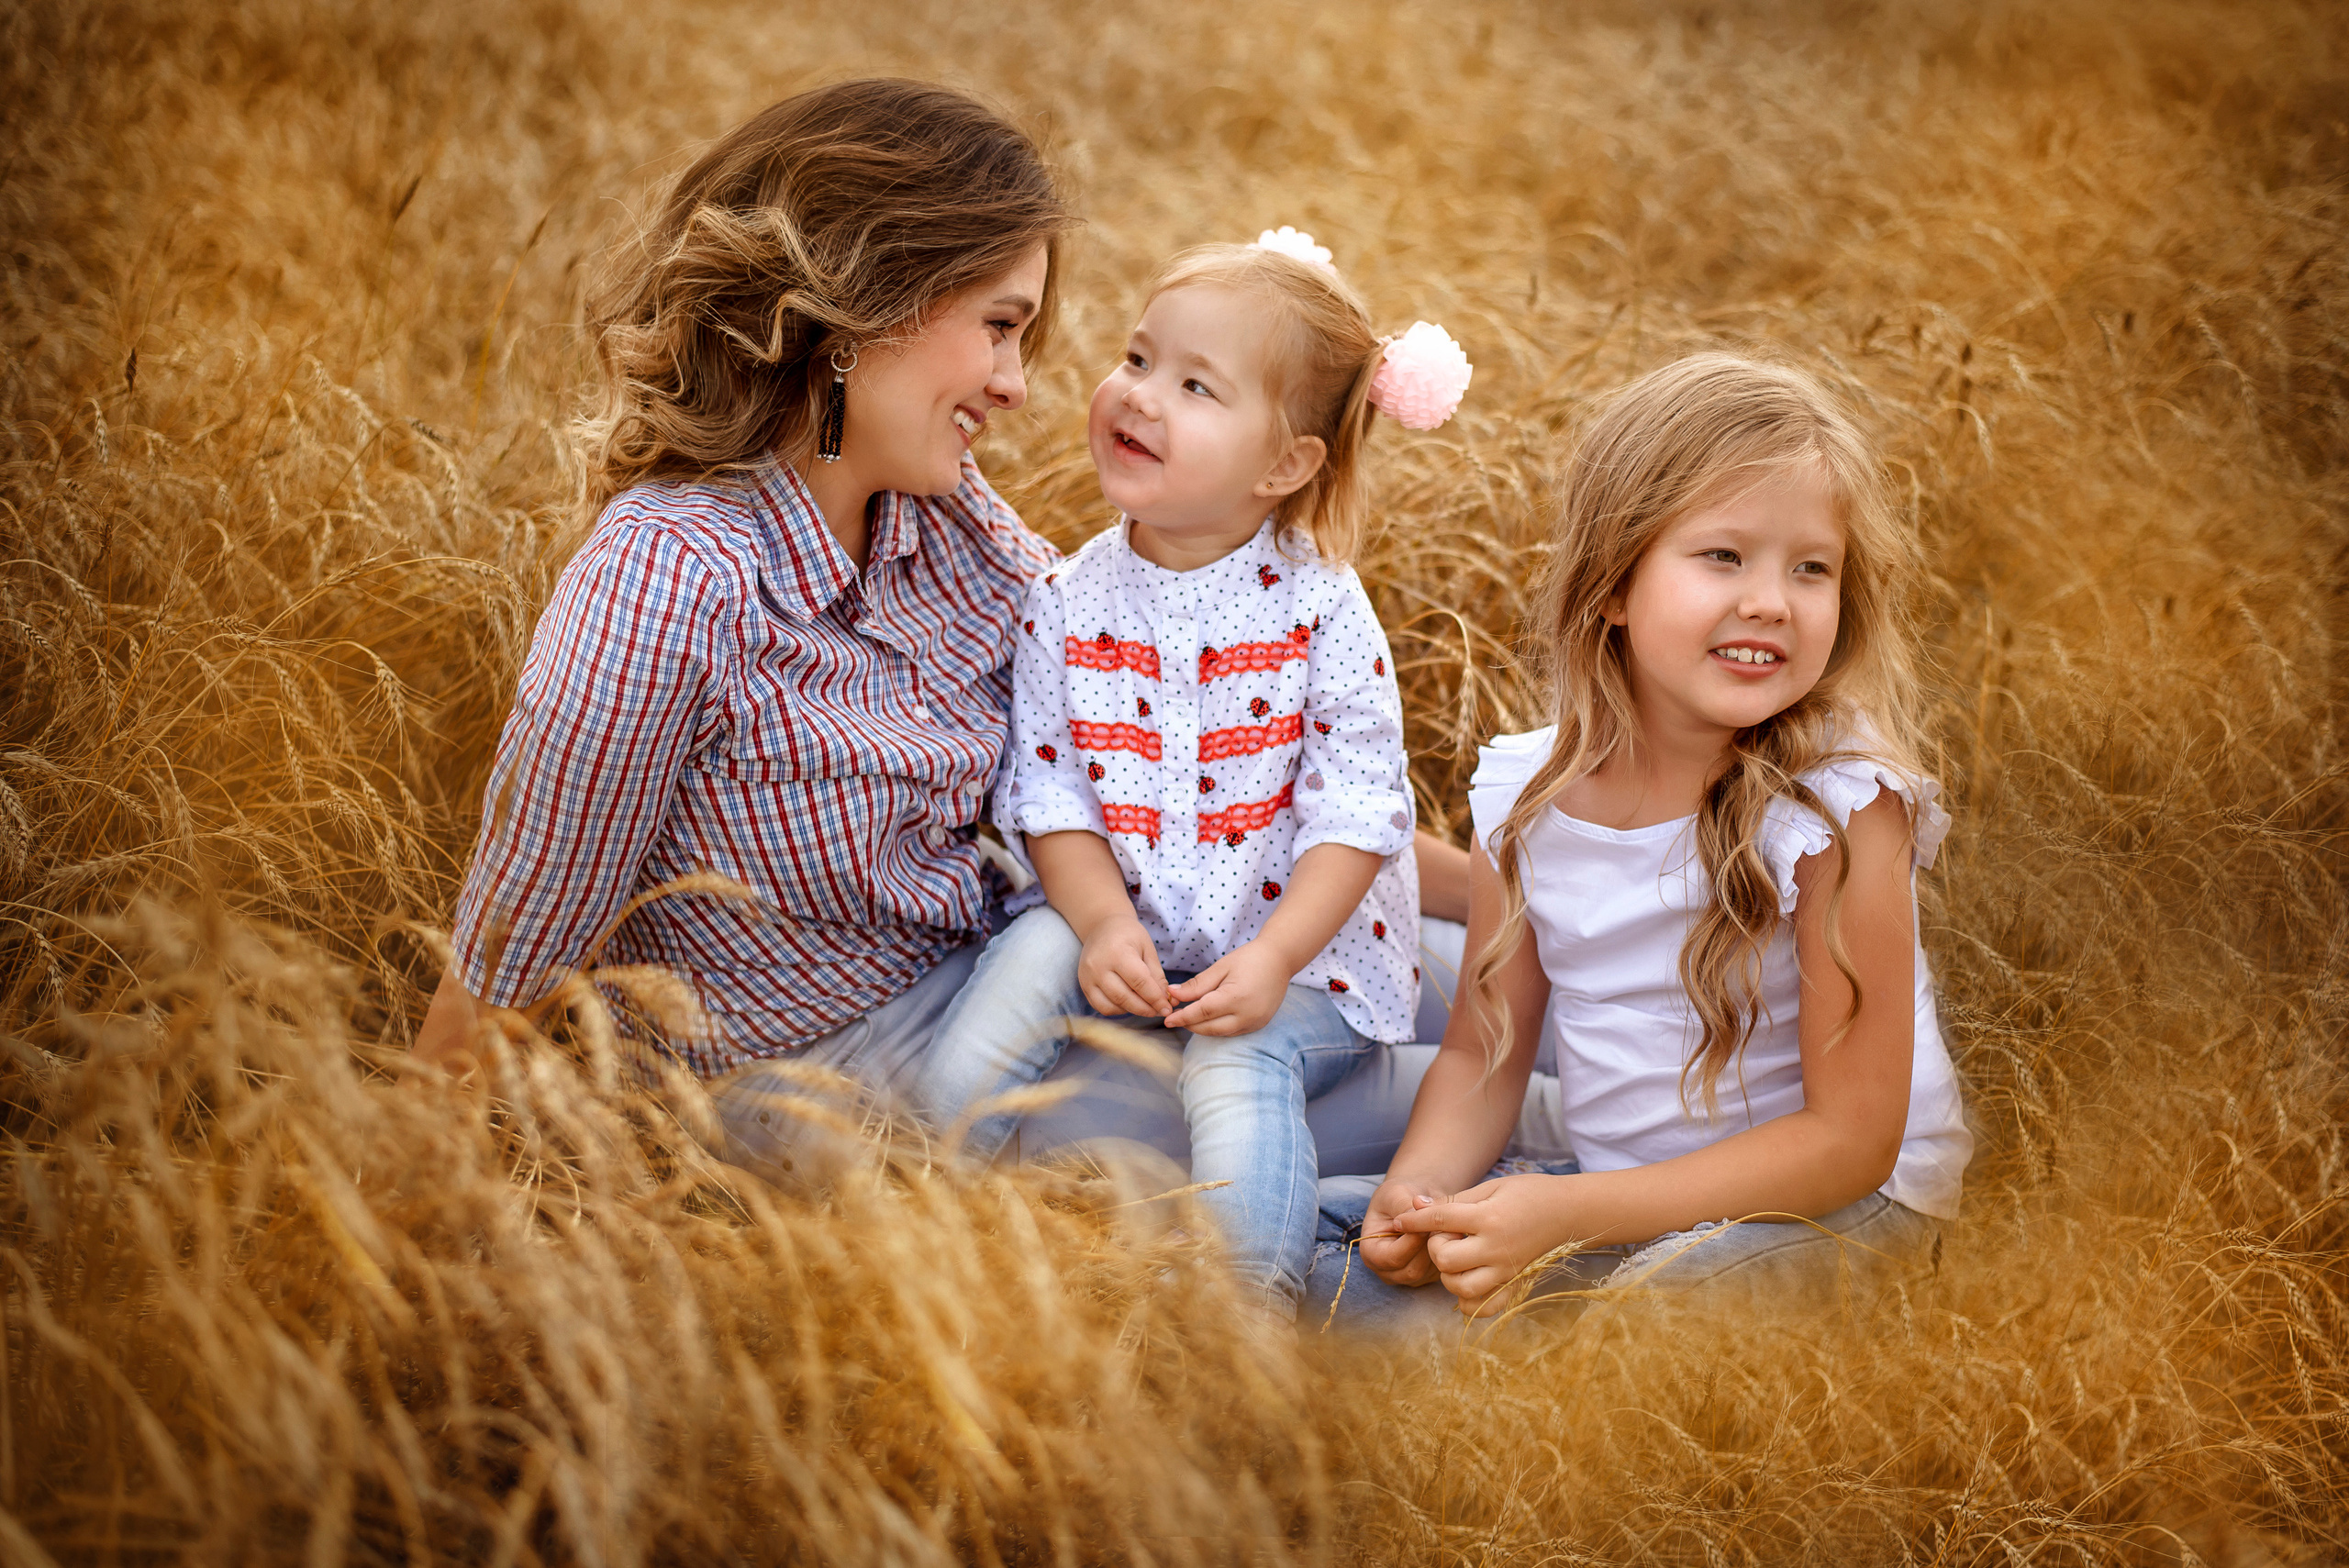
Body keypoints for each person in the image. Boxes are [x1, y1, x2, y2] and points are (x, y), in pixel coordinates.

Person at [410, 81, 1075, 1165]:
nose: (1014, 384)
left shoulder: (946, 521)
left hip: (997, 986)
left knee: (1425, 977)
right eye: (999, 328)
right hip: (824, 1080)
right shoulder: (672, 570)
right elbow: (531, 905)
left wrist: (1436, 857)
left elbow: (1146, 704)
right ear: (861, 306)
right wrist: (397, 1167)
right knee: (1398, 1090)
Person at [1310, 352, 1973, 1331]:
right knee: (1312, 1241)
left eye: (1811, 568)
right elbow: (1486, 1053)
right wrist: (1416, 1194)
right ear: (1612, 585)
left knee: (1645, 1315)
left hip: (1841, 1209)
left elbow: (1850, 1140)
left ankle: (1540, 1350)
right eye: (1722, 556)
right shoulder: (1525, 794)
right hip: (1621, 1195)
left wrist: (1562, 1211)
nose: (1769, 601)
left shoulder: (1837, 802)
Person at [909, 232, 1475, 1318]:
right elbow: (1052, 795)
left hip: (1300, 961)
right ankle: (920, 1202)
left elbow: (1356, 814)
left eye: (1195, 385)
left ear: (1283, 466)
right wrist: (1102, 922)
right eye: (1135, 358)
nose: (1140, 396)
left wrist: (1273, 959)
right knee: (1007, 992)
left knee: (1236, 1062)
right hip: (1128, 913)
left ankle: (1245, 1309)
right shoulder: (1067, 600)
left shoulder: (1319, 609)